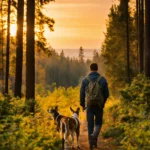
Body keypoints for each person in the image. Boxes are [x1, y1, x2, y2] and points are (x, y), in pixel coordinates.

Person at [80, 63, 109, 149]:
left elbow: (82, 93)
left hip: (89, 105)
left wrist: (82, 104)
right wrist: (103, 102)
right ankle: (94, 136)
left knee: (90, 124)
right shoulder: (102, 80)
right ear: (97, 69)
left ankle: (91, 144)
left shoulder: (85, 80)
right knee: (98, 123)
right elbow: (107, 94)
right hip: (99, 106)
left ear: (90, 69)